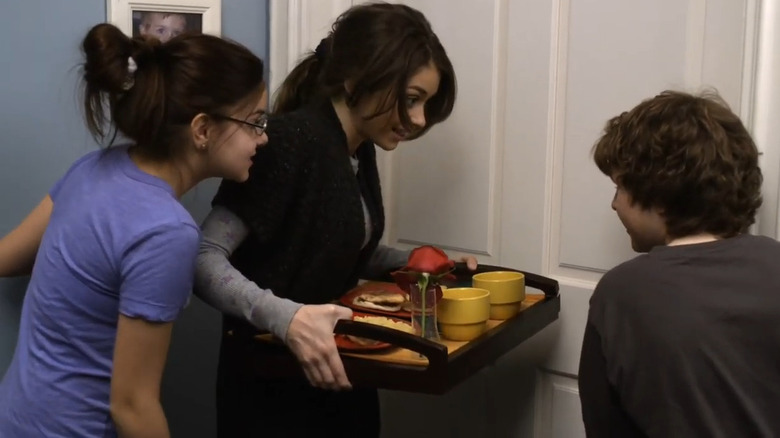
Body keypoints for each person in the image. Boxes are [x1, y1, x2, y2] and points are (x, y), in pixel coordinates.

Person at [194, 3, 476, 436]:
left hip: (338, 375)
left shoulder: (357, 148)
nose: (419, 120)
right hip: (272, 389)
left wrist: (422, 262)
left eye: (425, 104)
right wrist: (286, 318)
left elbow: (333, 245)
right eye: (412, 100)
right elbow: (204, 259)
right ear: (357, 80)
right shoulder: (290, 142)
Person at [0, 23, 268, 437]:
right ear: (202, 130)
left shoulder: (92, 168)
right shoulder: (166, 233)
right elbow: (132, 406)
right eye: (254, 121)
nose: (262, 138)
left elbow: (6, 259)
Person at [578, 90, 780, 437]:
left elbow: (604, 425)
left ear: (657, 193)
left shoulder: (622, 293)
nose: (615, 205)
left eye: (619, 188)